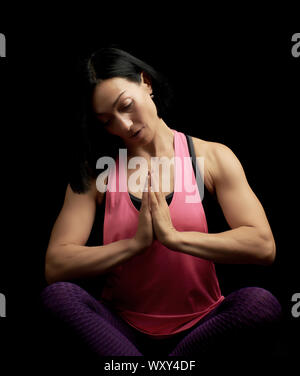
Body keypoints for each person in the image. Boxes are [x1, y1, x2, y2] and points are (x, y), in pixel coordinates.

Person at [40, 47, 282, 360]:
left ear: (146, 82)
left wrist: (174, 238)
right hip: (121, 329)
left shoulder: (212, 158)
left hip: (201, 327)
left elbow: (263, 246)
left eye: (126, 106)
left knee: (260, 304)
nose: (124, 125)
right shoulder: (99, 170)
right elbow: (56, 265)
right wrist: (135, 244)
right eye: (107, 120)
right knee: (58, 298)